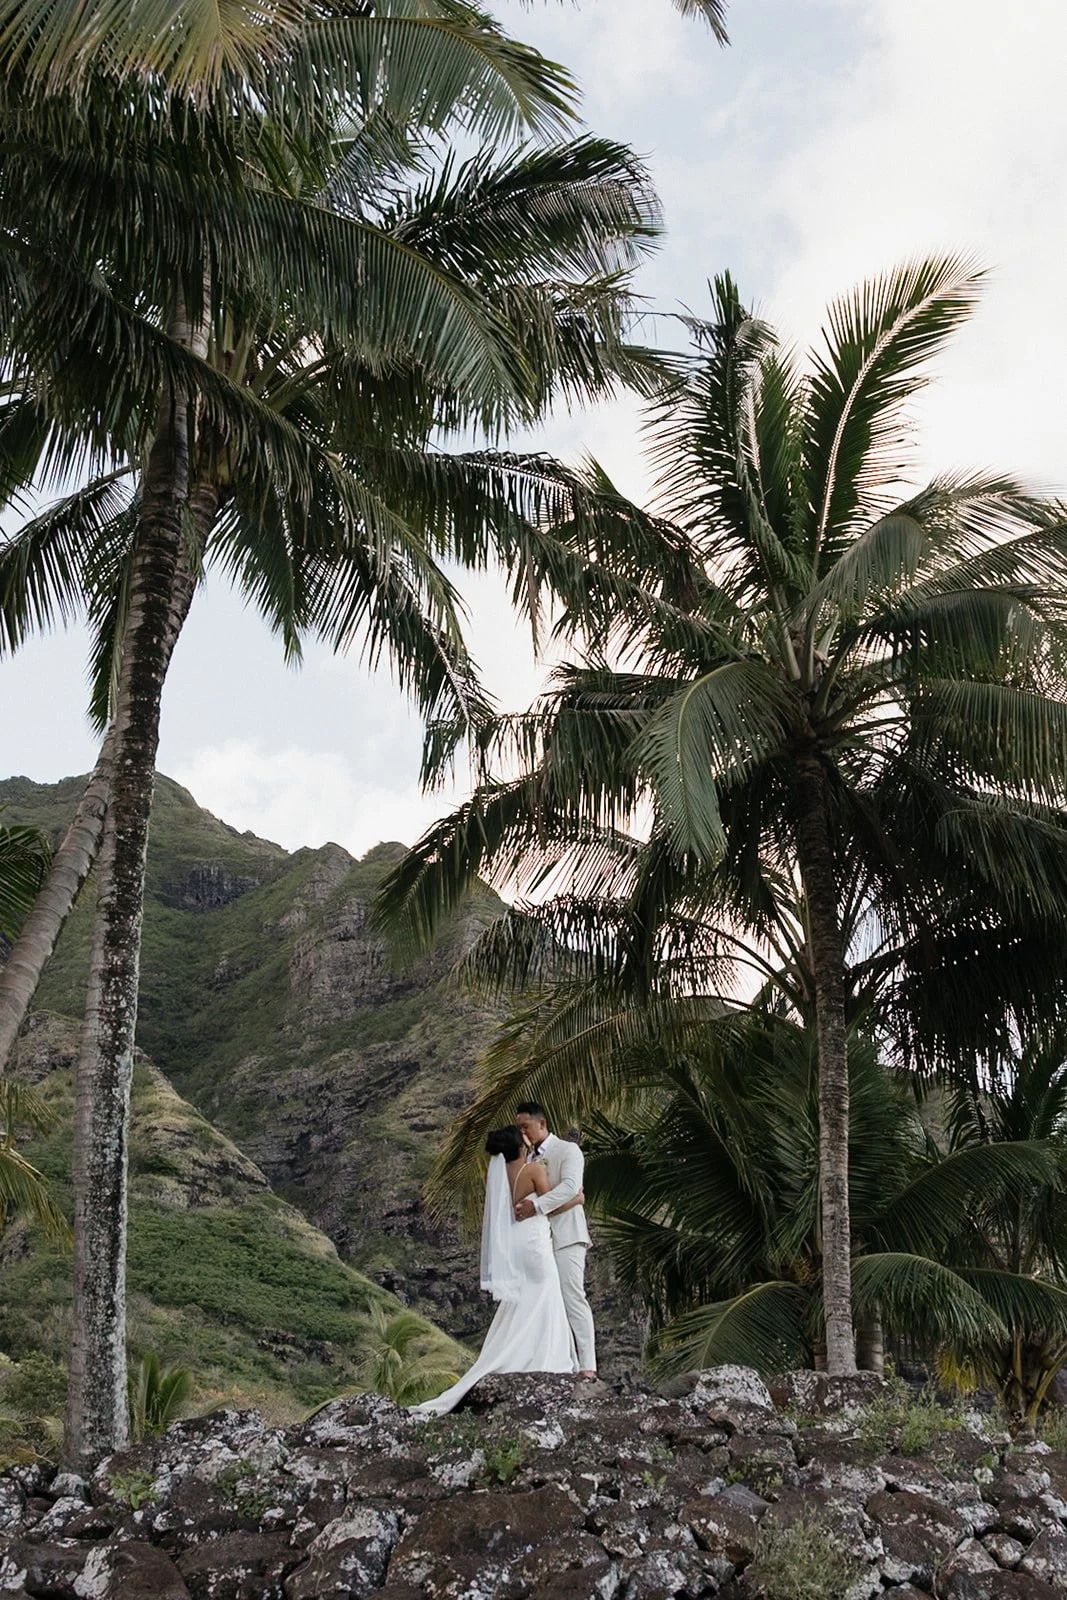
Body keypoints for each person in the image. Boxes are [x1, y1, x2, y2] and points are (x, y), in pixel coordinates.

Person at [408, 1125, 583, 1417]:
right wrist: (577, 1198)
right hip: (534, 1242)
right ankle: (547, 1358)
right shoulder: (533, 1171)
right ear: (520, 1145)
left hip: (515, 1243)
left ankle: (518, 1352)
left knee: (527, 1298)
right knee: (546, 1296)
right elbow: (550, 1206)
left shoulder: (497, 1175)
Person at [514, 1101, 597, 1379]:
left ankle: (587, 1367)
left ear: (542, 1123)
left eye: (525, 1126)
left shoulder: (567, 1150)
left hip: (567, 1235)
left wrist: (538, 1207)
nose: (522, 1133)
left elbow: (570, 1186)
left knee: (573, 1297)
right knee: (550, 1302)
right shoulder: (527, 1160)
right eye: (518, 1128)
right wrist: (573, 1199)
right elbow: (569, 1194)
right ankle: (564, 1362)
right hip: (538, 1241)